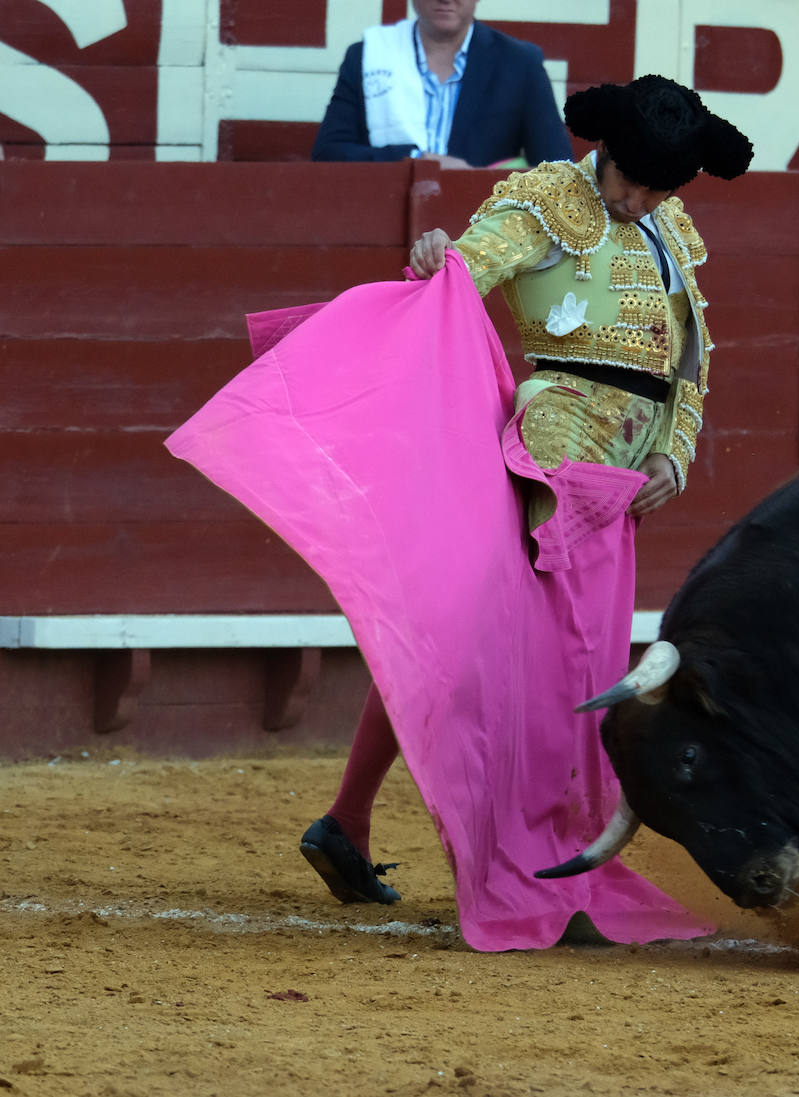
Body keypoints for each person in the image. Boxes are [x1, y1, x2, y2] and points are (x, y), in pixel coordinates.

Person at [296, 74, 753, 938]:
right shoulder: (548, 199)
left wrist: (673, 452)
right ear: (604, 152)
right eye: (634, 182)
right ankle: (538, 865)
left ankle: (351, 822)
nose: (642, 201)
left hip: (620, 481)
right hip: (549, 468)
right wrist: (440, 254)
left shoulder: (669, 230)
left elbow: (688, 362)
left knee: (489, 654)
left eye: (660, 188)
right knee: (539, 672)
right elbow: (464, 272)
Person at [311, 0, 572, 168]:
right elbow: (328, 154)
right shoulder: (369, 56)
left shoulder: (520, 63)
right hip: (381, 219)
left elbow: (557, 168)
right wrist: (418, 162)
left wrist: (472, 178)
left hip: (484, 232)